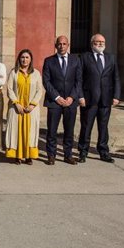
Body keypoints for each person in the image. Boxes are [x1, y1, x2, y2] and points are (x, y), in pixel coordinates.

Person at [77, 33, 121, 163]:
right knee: (86, 126)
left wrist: (116, 96)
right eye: (98, 42)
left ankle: (103, 151)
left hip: (106, 99)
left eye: (102, 42)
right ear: (92, 44)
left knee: (103, 126)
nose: (100, 44)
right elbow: (79, 78)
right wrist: (80, 96)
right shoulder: (84, 57)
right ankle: (83, 152)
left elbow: (116, 78)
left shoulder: (111, 58)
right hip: (89, 99)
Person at [42, 35, 82, 165]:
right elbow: (46, 82)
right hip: (54, 102)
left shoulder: (76, 60)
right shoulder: (49, 61)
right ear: (55, 45)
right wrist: (57, 98)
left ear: (68, 45)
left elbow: (79, 81)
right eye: (59, 44)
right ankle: (51, 155)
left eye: (64, 44)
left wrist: (71, 97)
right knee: (52, 130)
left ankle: (68, 155)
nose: (62, 46)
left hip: (71, 102)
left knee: (69, 130)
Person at [5, 49, 44, 165]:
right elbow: (9, 89)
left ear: (30, 59)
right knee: (16, 131)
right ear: (19, 59)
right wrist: (16, 103)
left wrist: (32, 105)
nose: (24, 59)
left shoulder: (36, 73)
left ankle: (28, 156)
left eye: (27, 57)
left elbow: (39, 90)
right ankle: (17, 155)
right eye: (22, 57)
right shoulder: (14, 72)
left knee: (30, 132)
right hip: (16, 107)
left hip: (31, 109)